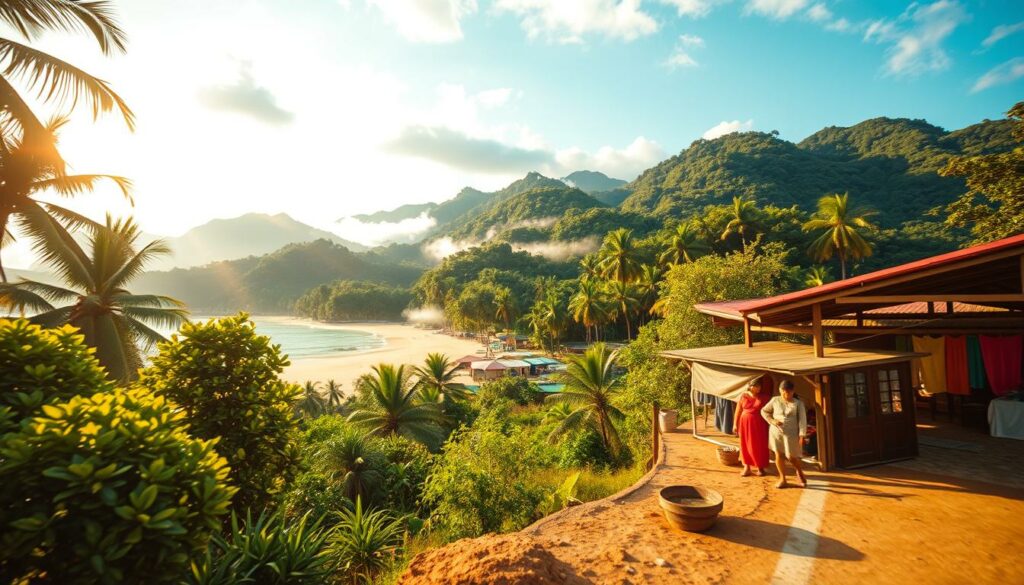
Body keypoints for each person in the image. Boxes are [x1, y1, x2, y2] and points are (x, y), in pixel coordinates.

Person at [761, 379, 807, 488]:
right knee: (778, 454)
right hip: (776, 432)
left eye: (788, 392)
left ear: (792, 391)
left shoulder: (798, 403)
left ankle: (799, 472)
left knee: (791, 456)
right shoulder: (775, 400)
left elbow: (802, 420)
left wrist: (802, 435)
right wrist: (772, 421)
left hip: (791, 433)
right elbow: (764, 411)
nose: (786, 394)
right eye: (783, 392)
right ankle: (783, 478)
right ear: (780, 390)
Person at [734, 376, 771, 477]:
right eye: (756, 386)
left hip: (759, 424)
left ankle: (760, 467)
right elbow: (738, 410)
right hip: (744, 423)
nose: (759, 389)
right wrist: (735, 424)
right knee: (745, 444)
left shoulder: (764, 397)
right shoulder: (743, 396)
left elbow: (770, 410)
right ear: (750, 386)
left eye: (760, 386)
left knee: (760, 445)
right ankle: (747, 467)